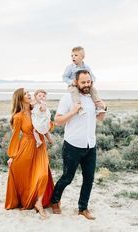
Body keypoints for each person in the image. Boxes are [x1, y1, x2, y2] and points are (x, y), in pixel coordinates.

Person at [51, 69, 107, 220]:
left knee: (89, 179)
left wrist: (104, 107)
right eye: (83, 82)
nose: (86, 85)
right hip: (73, 146)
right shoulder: (68, 98)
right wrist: (74, 111)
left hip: (90, 145)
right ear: (76, 82)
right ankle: (55, 201)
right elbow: (57, 121)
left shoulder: (92, 98)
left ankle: (83, 208)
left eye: (89, 82)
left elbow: (100, 118)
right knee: (67, 178)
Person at [5, 88, 54, 218]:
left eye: (28, 92)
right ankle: (32, 201)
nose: (29, 94)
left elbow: (47, 123)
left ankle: (39, 202)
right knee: (28, 176)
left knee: (43, 175)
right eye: (25, 93)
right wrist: (12, 156)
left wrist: (49, 125)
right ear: (20, 98)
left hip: (40, 146)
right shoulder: (18, 116)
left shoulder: (36, 109)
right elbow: (15, 136)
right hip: (26, 147)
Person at [62, 46, 105, 114]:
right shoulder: (70, 67)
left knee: (93, 90)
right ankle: (79, 108)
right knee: (75, 92)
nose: (73, 57)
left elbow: (92, 76)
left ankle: (98, 107)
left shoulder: (86, 67)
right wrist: (71, 82)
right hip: (73, 86)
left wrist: (91, 82)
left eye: (76, 55)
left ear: (82, 57)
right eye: (72, 55)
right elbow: (64, 77)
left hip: (84, 86)